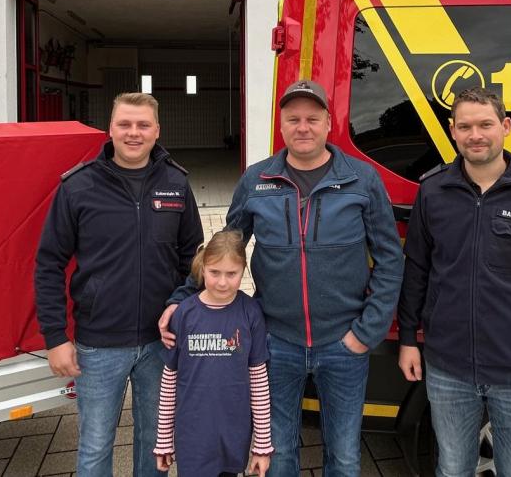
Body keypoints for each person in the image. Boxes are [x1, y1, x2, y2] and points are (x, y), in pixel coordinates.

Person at [160, 79, 404, 477]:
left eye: (312, 118)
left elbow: (390, 260)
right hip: (275, 343)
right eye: (293, 119)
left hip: (345, 344)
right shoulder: (257, 180)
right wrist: (182, 298)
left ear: (328, 122)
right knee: (278, 453)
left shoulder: (362, 180)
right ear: (282, 124)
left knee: (343, 457)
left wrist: (366, 332)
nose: (302, 127)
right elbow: (226, 247)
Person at [397, 87, 511, 477]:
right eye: (464, 126)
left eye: (485, 124)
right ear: (452, 131)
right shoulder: (433, 191)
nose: (475, 135)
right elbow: (416, 268)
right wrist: (406, 339)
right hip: (447, 366)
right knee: (452, 468)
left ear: (505, 127)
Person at [35, 92, 204, 477]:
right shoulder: (78, 187)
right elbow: (49, 264)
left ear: (157, 131)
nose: (133, 133)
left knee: (156, 444)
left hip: (161, 342)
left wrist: (180, 306)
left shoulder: (176, 184)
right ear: (110, 129)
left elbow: (192, 260)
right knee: (95, 447)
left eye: (143, 125)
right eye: (124, 124)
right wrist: (55, 337)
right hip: (99, 343)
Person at [153, 230, 272, 477]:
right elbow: (169, 380)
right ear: (202, 268)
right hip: (193, 436)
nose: (222, 282)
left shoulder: (250, 313)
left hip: (233, 434)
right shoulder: (184, 314)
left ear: (244, 271)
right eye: (214, 272)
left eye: (232, 274)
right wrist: (164, 439)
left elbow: (259, 382)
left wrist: (262, 445)